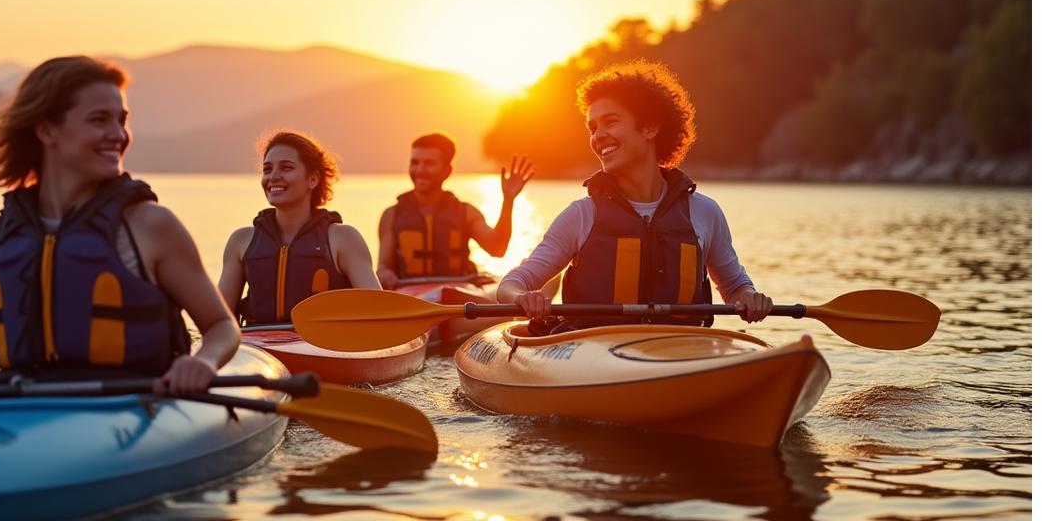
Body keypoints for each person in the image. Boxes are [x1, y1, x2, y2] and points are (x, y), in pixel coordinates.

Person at [0, 56, 241, 401]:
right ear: (47, 130)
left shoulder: (152, 227)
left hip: (134, 404)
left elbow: (221, 326)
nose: (118, 135)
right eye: (99, 120)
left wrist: (202, 363)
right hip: (17, 405)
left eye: (122, 121)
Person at [497, 61, 773, 330]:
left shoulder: (704, 212)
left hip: (682, 347)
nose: (598, 136)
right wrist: (522, 297)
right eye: (593, 128)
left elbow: (735, 288)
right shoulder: (581, 215)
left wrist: (750, 298)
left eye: (610, 122)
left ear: (649, 128)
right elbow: (510, 285)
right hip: (592, 348)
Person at [219, 131, 380, 326]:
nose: (273, 176)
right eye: (267, 169)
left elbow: (378, 313)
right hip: (255, 341)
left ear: (313, 179)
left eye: (286, 168)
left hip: (325, 341)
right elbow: (218, 321)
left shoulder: (343, 238)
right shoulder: (241, 241)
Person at [376, 133, 534, 288]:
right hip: (408, 293)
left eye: (429, 163)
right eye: (415, 162)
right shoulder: (391, 215)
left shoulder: (466, 213)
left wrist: (508, 200)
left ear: (447, 170)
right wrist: (384, 273)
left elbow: (497, 249)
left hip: (457, 292)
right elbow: (384, 265)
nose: (420, 170)